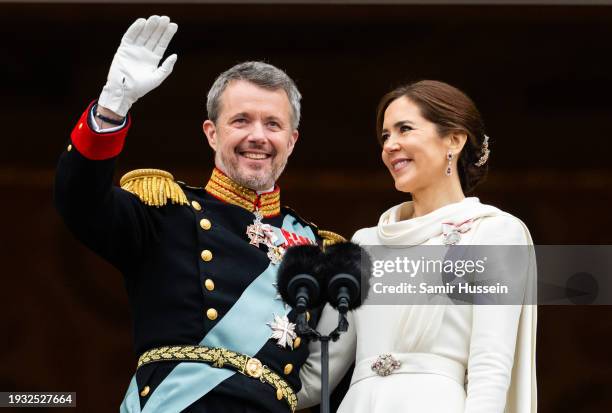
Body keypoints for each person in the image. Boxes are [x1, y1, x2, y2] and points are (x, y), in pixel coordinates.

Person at [54, 15, 344, 413]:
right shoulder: (166, 212)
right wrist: (112, 105)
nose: (257, 136)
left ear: (291, 141)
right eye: (240, 120)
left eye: (272, 124)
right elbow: (79, 200)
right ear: (212, 132)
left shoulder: (319, 250)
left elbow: (335, 375)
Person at [297, 80, 537, 412]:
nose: (390, 145)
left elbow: (490, 368)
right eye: (385, 136)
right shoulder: (364, 243)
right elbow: (315, 377)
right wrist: (228, 380)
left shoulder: (495, 233)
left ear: (453, 139)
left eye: (404, 129)